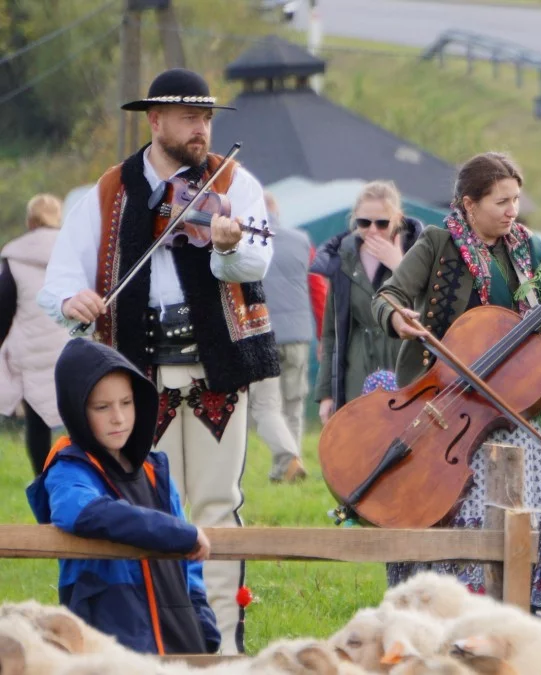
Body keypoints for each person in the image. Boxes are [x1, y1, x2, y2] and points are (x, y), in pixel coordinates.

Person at [37, 68, 278, 655]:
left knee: (220, 503)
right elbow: (60, 279)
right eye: (190, 117)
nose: (202, 128)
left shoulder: (233, 182)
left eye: (207, 118)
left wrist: (228, 245)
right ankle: (155, 642)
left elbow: (257, 260)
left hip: (217, 368)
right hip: (139, 377)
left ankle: (218, 648)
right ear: (155, 120)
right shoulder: (108, 191)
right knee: (150, 505)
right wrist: (73, 299)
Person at [373, 151, 541, 614]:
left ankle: (521, 614)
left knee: (529, 519)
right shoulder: (438, 245)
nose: (511, 211)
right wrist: (397, 317)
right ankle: (447, 613)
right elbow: (390, 295)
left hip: (521, 405)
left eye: (516, 200)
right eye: (501, 201)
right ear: (469, 203)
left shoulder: (534, 251)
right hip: (453, 408)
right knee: (457, 517)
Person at [26, 338, 219, 655]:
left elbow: (191, 566)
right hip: (112, 639)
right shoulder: (70, 470)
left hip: (180, 633)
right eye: (102, 407)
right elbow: (83, 513)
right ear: (77, 411)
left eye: (126, 403)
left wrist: (204, 623)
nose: (118, 417)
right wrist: (177, 534)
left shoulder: (156, 472)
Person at [312, 180, 422, 423]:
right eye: (364, 222)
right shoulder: (343, 258)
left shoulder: (419, 252)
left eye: (382, 223)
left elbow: (428, 315)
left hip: (403, 368)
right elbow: (331, 333)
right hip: (356, 373)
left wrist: (399, 266)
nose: (372, 230)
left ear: (398, 219)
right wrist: (326, 394)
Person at [247, 192, 319, 483]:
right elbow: (316, 284)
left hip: (262, 334)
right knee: (294, 404)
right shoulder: (301, 240)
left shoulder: (245, 241)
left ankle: (288, 459)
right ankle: (288, 467)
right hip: (299, 335)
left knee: (265, 407)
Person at [0, 193, 71, 476]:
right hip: (70, 348)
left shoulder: (13, 257)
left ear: (30, 221)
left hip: (30, 352)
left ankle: (43, 480)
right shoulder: (74, 251)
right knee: (81, 418)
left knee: (37, 423)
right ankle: (84, 477)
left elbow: (4, 309)